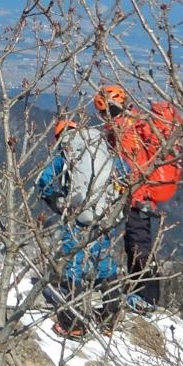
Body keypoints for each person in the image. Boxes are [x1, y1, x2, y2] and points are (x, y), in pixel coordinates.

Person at [37, 119, 125, 337]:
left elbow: (43, 180)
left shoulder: (67, 151)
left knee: (73, 265)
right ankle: (109, 320)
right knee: (105, 265)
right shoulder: (103, 148)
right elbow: (125, 171)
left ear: (61, 136)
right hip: (107, 215)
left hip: (78, 215)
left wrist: (56, 201)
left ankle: (73, 324)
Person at [93, 83, 163, 312]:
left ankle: (147, 298)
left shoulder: (124, 129)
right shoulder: (133, 123)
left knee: (138, 243)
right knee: (136, 242)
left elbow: (128, 165)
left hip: (136, 196)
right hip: (140, 195)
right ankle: (141, 293)